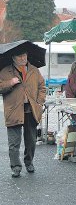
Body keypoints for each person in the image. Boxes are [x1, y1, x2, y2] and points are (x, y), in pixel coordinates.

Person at [0, 47, 46, 178]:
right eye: (20, 56)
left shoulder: (34, 70)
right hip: (13, 110)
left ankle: (29, 162)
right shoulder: (5, 71)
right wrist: (10, 82)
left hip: (31, 109)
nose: (23, 58)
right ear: (13, 57)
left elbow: (42, 87)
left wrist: (39, 101)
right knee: (14, 143)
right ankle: (15, 166)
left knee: (31, 140)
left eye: (25, 55)